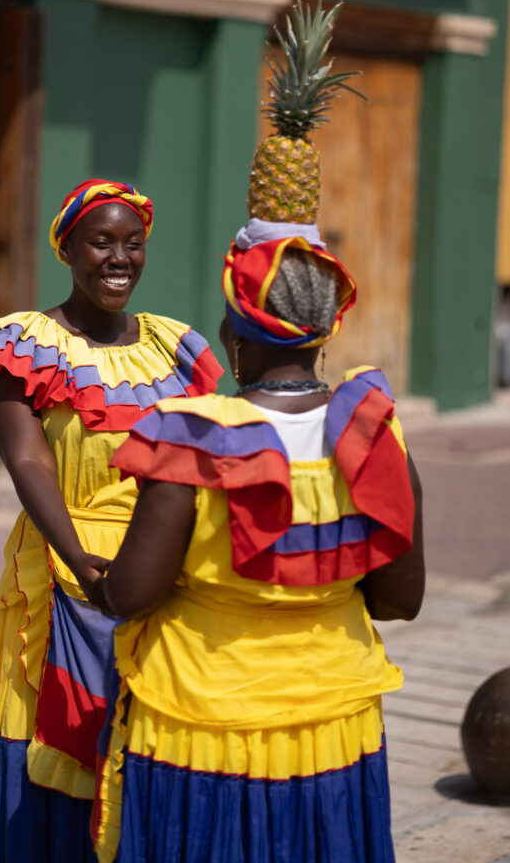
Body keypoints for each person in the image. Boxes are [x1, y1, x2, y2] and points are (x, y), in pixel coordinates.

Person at [92, 234, 424, 863]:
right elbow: (400, 601)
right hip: (332, 726)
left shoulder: (193, 437)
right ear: (323, 332)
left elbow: (132, 596)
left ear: (232, 333)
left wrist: (99, 579)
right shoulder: (374, 433)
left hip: (201, 724)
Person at [0, 179, 223, 863]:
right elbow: (27, 459)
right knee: (51, 732)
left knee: (141, 742)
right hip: (63, 573)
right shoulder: (25, 345)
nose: (118, 257)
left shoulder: (173, 348)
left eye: (132, 244)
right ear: (67, 247)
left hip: (158, 580)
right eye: (101, 241)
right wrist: (76, 557)